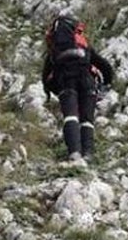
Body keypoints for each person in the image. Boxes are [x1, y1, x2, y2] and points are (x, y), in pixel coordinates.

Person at [42, 15, 115, 162]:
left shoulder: (54, 50)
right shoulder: (83, 46)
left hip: (65, 82)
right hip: (86, 80)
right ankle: (88, 154)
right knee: (87, 119)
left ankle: (74, 153)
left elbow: (45, 77)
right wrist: (106, 84)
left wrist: (51, 93)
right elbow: (105, 66)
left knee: (71, 116)